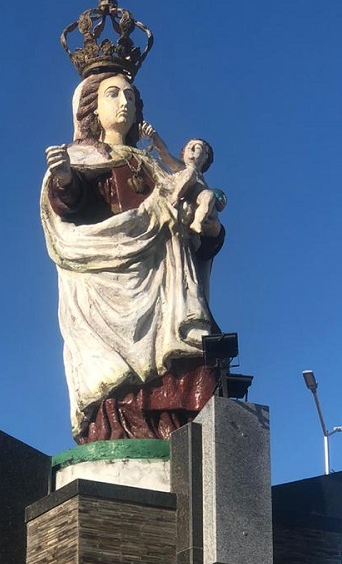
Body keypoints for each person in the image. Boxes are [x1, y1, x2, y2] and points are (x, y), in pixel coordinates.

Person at [41, 71, 225, 444]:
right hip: (106, 281)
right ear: (90, 108)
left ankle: (177, 435)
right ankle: (119, 431)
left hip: (166, 281)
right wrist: (63, 178)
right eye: (113, 94)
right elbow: (69, 206)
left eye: (130, 95)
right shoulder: (80, 159)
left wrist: (209, 231)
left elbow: (189, 229)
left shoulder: (152, 165)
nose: (125, 102)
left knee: (194, 351)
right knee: (116, 378)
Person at [140, 124, 227, 239]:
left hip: (196, 199)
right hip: (180, 196)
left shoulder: (202, 180)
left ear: (206, 156)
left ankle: (197, 222)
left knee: (209, 195)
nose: (191, 150)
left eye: (197, 148)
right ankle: (175, 197)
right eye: (188, 147)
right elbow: (164, 153)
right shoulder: (182, 167)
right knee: (190, 173)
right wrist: (154, 136)